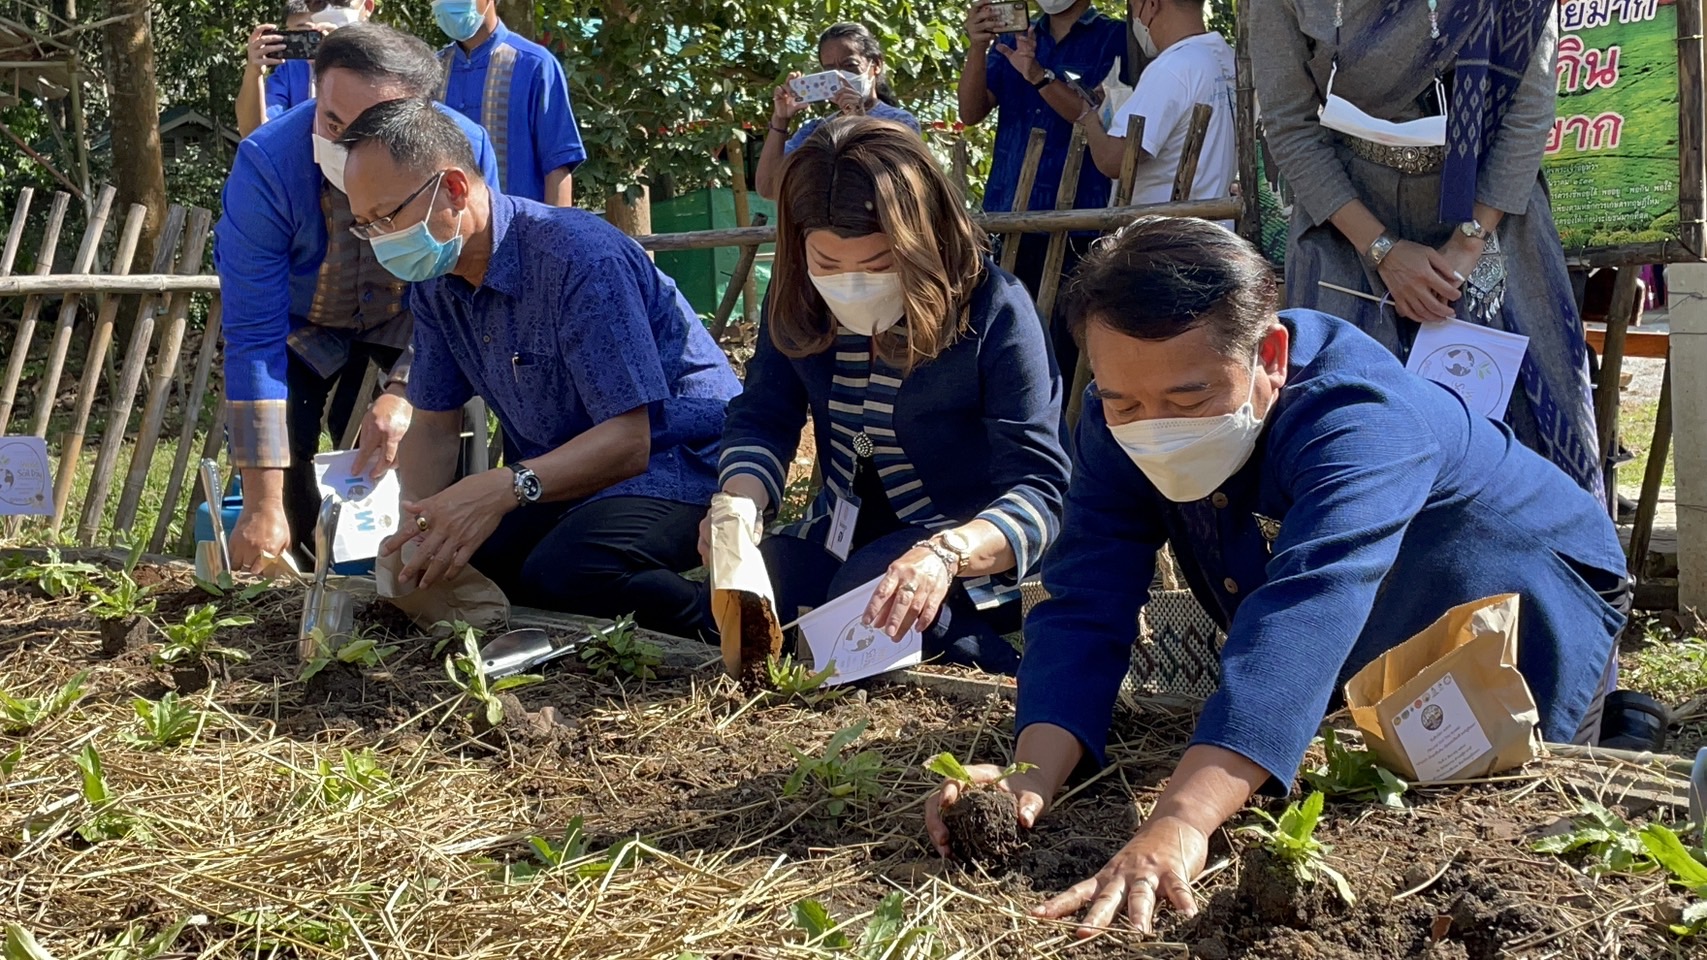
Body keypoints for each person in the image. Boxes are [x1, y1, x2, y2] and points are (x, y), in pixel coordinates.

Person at [923, 218, 1630, 934]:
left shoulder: (1359, 417)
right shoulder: (1119, 415)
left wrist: (1181, 820)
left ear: (1270, 357)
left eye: (1188, 401)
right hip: (1380, 599)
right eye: (1124, 402)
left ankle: (1621, 725)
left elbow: (1306, 608)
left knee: (1487, 782)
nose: (1151, 426)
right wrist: (1030, 774)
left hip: (1520, 575)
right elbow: (1085, 593)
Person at [337, 98, 742, 639]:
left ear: (453, 189)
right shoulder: (435, 284)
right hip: (562, 477)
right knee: (465, 563)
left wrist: (502, 487)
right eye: (366, 226)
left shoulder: (578, 259)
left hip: (684, 460)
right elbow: (433, 423)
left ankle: (738, 625)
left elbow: (630, 441)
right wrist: (417, 528)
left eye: (388, 217)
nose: (382, 240)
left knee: (567, 571)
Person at [710, 117, 1071, 674]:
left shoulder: (996, 310)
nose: (851, 283)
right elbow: (763, 414)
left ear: (924, 242)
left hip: (968, 548)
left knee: (868, 596)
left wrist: (946, 553)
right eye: (828, 264)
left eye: (879, 265)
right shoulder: (798, 296)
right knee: (765, 581)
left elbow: (1041, 487)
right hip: (845, 533)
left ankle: (1012, 668)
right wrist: (737, 506)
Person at [1251, 0, 1601, 496]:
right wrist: (1382, 250)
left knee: (1522, 427)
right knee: (1349, 427)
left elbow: (1528, 111)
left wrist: (1468, 244)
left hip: (1488, 208)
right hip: (1345, 218)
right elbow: (1290, 123)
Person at [217, 23, 501, 571]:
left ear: (419, 116)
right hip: (303, 324)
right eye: (331, 122)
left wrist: (406, 388)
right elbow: (253, 339)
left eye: (370, 128)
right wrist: (261, 506)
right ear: (316, 89)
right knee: (287, 473)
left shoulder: (464, 150)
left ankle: (440, 567)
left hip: (415, 319)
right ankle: (302, 566)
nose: (344, 144)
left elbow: (465, 291)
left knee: (441, 429)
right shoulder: (265, 166)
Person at [959, 0, 1128, 378]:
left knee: (1067, 351)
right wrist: (977, 47)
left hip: (1079, 221)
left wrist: (1038, 75)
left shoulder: (1114, 37)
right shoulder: (1015, 36)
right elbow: (970, 113)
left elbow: (1095, 115)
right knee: (1004, 347)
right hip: (1009, 214)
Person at [1079, 0, 1237, 215]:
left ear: (1152, 4)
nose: (1135, 19)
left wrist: (1089, 120)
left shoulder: (1173, 67)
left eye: (1134, 7)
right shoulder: (1227, 59)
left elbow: (1114, 160)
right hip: (1214, 225)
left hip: (1164, 229)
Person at [431, 0, 585, 205]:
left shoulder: (533, 65)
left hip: (519, 222)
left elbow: (557, 164)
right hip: (447, 222)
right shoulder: (431, 73)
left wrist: (555, 224)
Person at [755, 23, 922, 201]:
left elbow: (894, 189)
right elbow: (768, 187)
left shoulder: (900, 122)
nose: (840, 76)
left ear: (876, 65)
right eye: (830, 70)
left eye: (849, 65)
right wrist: (780, 120)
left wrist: (857, 122)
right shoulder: (815, 130)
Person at [237, 0, 374, 138]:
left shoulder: (379, 60)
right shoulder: (291, 69)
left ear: (367, 6)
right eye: (319, 3)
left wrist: (342, 61)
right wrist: (253, 73)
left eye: (340, 2)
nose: (328, 8)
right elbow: (256, 132)